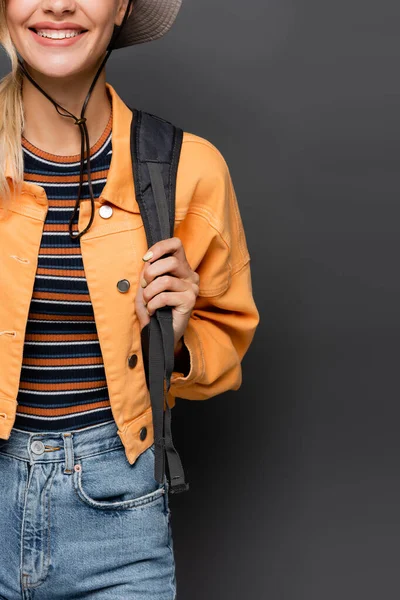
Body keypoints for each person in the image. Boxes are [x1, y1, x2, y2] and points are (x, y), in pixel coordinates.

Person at [0, 0, 260, 598]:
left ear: (121, 6)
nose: (59, 3)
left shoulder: (185, 168)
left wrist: (176, 334)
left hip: (118, 522)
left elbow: (226, 345)